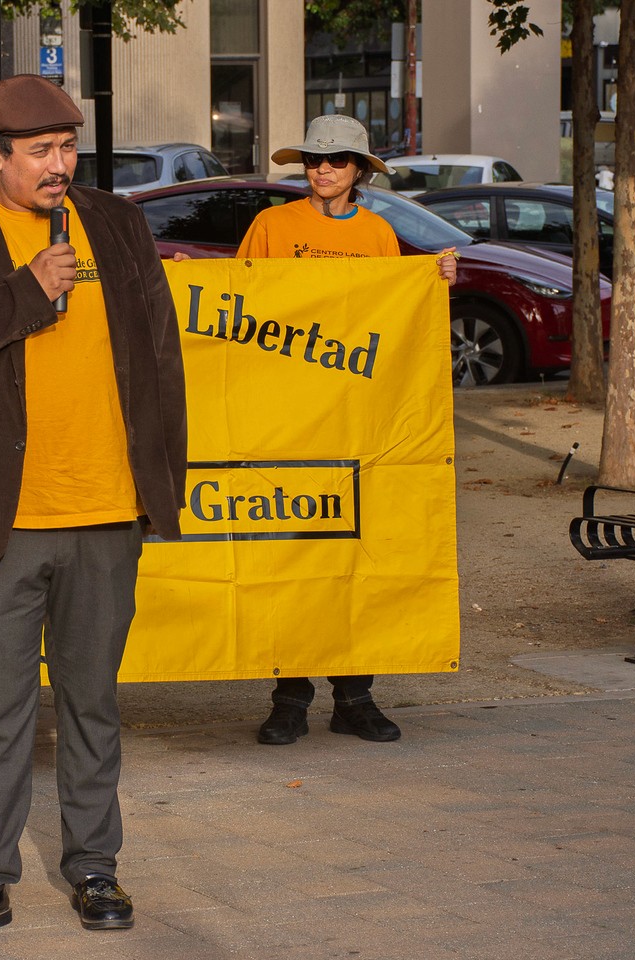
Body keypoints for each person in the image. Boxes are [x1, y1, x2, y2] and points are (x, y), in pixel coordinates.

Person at [0, 75, 187, 946]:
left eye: (67, 149)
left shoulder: (119, 222)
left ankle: (95, 868)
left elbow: (160, 355)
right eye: (39, 154)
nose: (58, 168)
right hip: (2, 519)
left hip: (106, 513)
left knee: (93, 702)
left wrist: (157, 485)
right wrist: (27, 290)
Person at [237, 114, 457, 747]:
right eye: (313, 159)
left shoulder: (380, 234)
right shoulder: (272, 227)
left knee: (355, 556)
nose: (322, 169)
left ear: (360, 170)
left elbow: (393, 321)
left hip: (357, 423)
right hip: (286, 420)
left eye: (335, 160)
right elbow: (239, 308)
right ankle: (289, 698)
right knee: (292, 560)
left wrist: (433, 284)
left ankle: (355, 697)